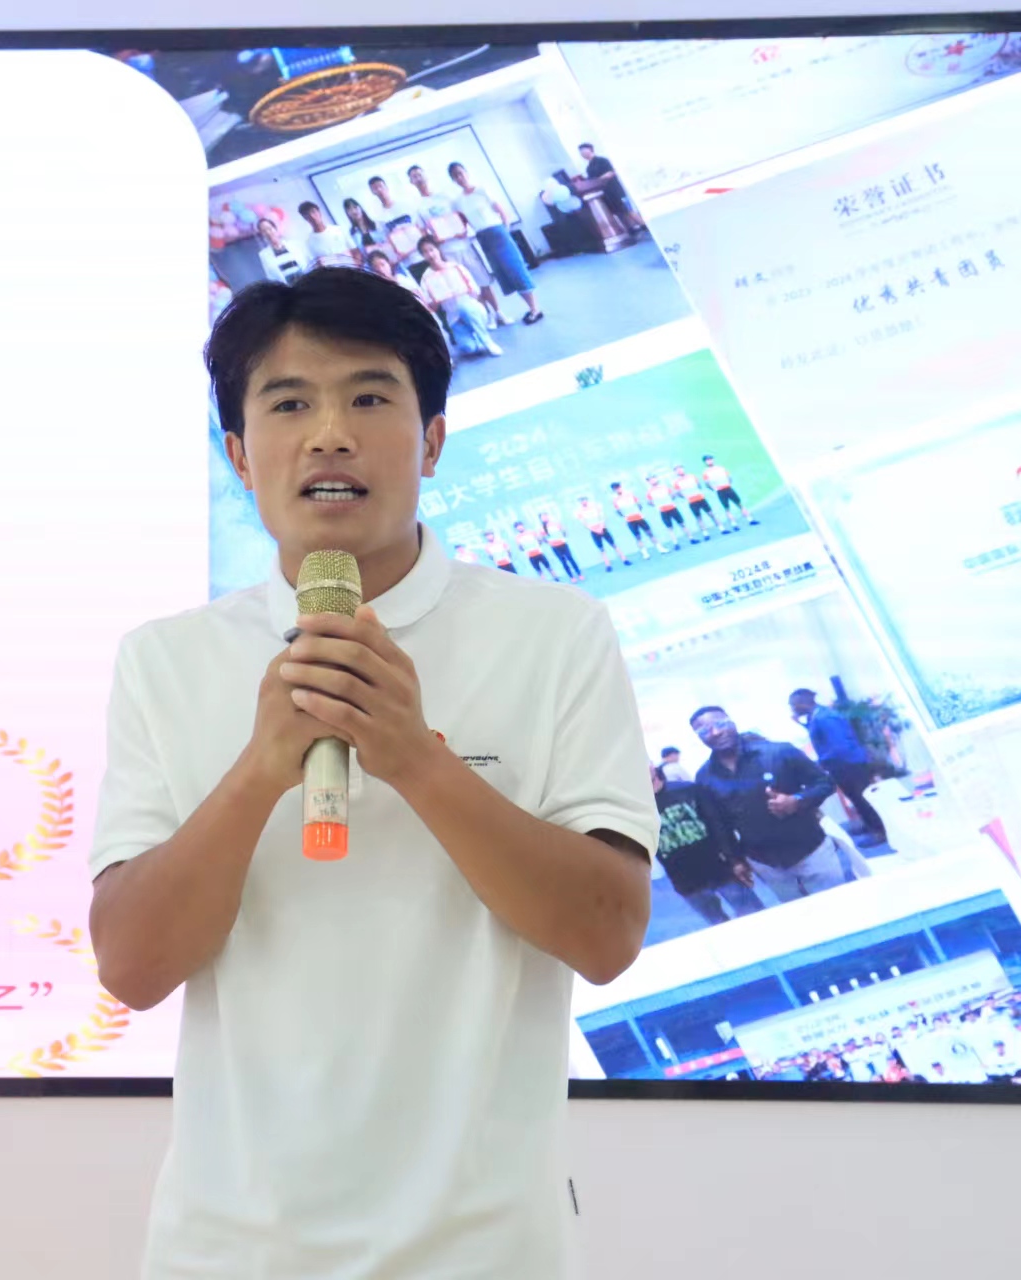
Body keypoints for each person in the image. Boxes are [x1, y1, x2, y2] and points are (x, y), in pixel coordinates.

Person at [88, 265, 657, 1278]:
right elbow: (132, 966)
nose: (329, 435)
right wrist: (260, 769)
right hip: (232, 1251)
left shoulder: (555, 634)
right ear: (239, 454)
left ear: (431, 440)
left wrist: (415, 759)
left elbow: (606, 934)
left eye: (367, 398)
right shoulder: (165, 661)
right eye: (288, 404)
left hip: (487, 1251)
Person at [689, 705, 850, 904]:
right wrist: (735, 860)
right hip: (765, 862)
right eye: (704, 731)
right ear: (699, 737)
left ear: (732, 722)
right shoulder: (705, 777)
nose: (715, 732)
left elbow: (825, 783)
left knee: (838, 905)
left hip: (810, 849)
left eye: (720, 724)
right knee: (798, 912)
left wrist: (797, 800)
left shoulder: (780, 752)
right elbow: (718, 824)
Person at [650, 764, 764, 927]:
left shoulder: (689, 790)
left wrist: (735, 860)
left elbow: (719, 826)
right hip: (685, 880)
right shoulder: (636, 810)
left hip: (720, 868)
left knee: (756, 918)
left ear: (652, 766)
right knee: (718, 926)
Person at [407, 163, 505, 325]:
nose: (418, 178)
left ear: (426, 175)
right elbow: (424, 232)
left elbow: (462, 215)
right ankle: (487, 316)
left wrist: (463, 229)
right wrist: (435, 241)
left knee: (483, 281)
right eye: (414, 177)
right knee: (467, 286)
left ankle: (499, 313)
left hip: (464, 245)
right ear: (411, 182)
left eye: (419, 174)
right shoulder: (419, 207)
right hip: (447, 252)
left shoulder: (446, 196)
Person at [449, 160, 544, 325]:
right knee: (504, 275)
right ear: (453, 180)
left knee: (515, 269)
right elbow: (463, 222)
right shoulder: (459, 201)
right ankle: (530, 309)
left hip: (497, 232)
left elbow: (501, 211)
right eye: (455, 176)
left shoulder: (482, 190)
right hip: (482, 237)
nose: (459, 177)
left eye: (460, 173)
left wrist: (505, 230)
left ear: (466, 172)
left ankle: (535, 309)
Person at [789, 688, 885, 843]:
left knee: (862, 799)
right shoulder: (817, 716)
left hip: (849, 763)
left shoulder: (825, 717)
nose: (792, 709)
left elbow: (840, 746)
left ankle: (879, 831)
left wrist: (821, 762)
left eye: (793, 705)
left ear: (803, 703)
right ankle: (870, 825)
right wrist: (801, 724)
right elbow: (820, 734)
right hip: (843, 764)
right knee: (856, 798)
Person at [415, 235, 503, 359]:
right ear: (423, 256)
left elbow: (475, 292)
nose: (430, 254)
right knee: (468, 348)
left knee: (465, 307)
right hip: (453, 317)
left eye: (431, 249)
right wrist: (436, 300)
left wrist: (462, 296)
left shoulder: (456, 267)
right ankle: (475, 337)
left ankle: (488, 341)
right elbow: (432, 307)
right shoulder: (426, 278)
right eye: (425, 252)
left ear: (438, 249)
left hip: (471, 309)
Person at [577, 142, 645, 234]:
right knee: (618, 212)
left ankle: (644, 225)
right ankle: (631, 229)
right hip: (605, 193)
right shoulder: (589, 168)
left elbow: (611, 172)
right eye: (580, 152)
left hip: (614, 190)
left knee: (626, 209)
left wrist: (599, 180)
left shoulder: (602, 160)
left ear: (590, 149)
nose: (582, 154)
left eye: (583, 150)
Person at [297, 200, 360, 269]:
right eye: (307, 215)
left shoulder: (339, 230)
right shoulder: (309, 243)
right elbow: (315, 267)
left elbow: (356, 252)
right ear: (305, 219)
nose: (312, 216)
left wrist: (356, 269)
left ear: (319, 212)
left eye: (313, 211)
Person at [611, 479, 664, 557]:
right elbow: (618, 511)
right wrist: (626, 516)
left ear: (621, 487)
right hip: (630, 521)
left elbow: (639, 504)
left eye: (618, 487)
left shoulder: (629, 494)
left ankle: (660, 548)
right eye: (616, 488)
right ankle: (645, 553)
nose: (618, 489)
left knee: (649, 533)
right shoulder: (615, 500)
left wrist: (637, 513)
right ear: (614, 490)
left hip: (639, 517)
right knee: (638, 537)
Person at [700, 455, 756, 528]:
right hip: (720, 491)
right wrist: (714, 489)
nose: (710, 461)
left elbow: (729, 477)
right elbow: (707, 484)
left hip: (728, 488)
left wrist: (728, 484)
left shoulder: (721, 468)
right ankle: (734, 524)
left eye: (710, 459)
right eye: (707, 460)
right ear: (705, 462)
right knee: (727, 508)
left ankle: (750, 519)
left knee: (739, 504)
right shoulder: (705, 472)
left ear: (713, 460)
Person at [644, 472, 697, 546]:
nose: (652, 480)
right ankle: (676, 544)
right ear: (648, 482)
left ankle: (691, 538)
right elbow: (649, 502)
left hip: (672, 508)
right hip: (663, 511)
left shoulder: (665, 487)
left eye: (653, 478)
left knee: (682, 524)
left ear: (656, 478)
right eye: (650, 480)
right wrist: (659, 505)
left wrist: (669, 502)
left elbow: (673, 495)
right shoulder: (649, 492)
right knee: (670, 528)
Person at [672, 464, 724, 538]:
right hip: (692, 502)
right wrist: (687, 496)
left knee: (711, 514)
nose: (679, 470)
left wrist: (697, 493)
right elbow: (678, 493)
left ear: (683, 469)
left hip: (701, 499)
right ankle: (705, 534)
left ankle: (722, 528)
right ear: (675, 472)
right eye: (677, 469)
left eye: (680, 468)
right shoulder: (676, 482)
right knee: (699, 518)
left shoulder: (692, 476)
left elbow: (699, 486)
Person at [573, 494, 622, 570]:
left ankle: (624, 559)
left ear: (587, 499)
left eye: (584, 499)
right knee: (601, 549)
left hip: (603, 528)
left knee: (613, 544)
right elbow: (584, 523)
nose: (583, 502)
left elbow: (602, 517)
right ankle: (608, 565)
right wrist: (595, 530)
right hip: (594, 531)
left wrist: (601, 527)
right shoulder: (579, 511)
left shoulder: (595, 506)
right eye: (581, 500)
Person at [255, 215, 307, 284]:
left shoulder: (294, 244)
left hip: (304, 281)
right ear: (262, 235)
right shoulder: (263, 255)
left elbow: (306, 264)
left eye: (269, 228)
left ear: (275, 228)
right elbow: (270, 276)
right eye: (264, 231)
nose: (268, 233)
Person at [537, 509, 584, 582]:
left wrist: (563, 538)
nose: (545, 518)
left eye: (545, 516)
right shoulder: (542, 529)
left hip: (563, 544)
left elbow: (564, 531)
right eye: (543, 517)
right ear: (541, 519)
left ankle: (579, 574)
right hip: (555, 547)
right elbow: (543, 539)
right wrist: (550, 542)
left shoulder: (556, 523)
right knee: (563, 562)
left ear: (548, 516)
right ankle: (571, 577)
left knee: (571, 559)